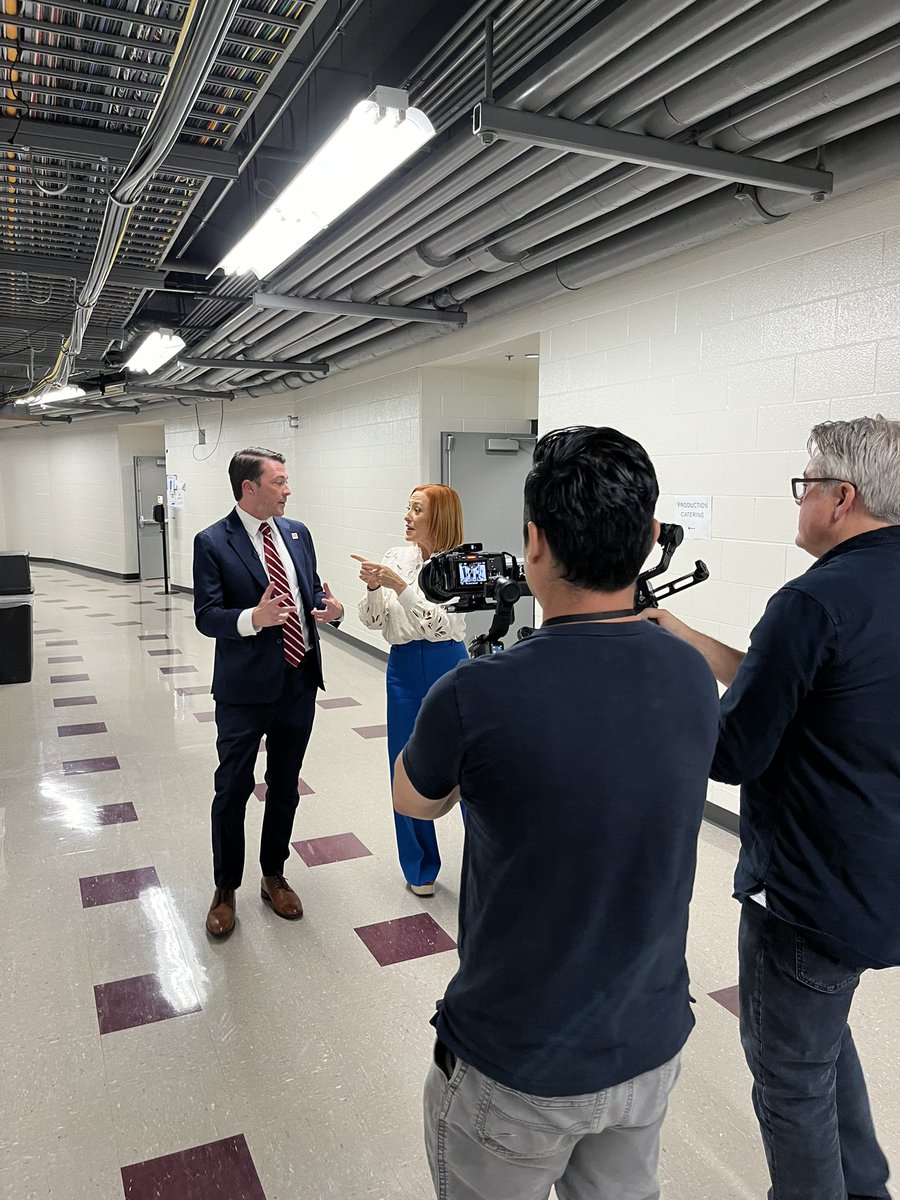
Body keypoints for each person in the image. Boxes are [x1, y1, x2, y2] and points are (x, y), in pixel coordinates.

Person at [392, 427, 720, 1200]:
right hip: (648, 1045)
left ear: (533, 544)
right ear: (646, 542)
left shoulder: (476, 693)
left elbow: (414, 797)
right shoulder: (689, 673)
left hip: (516, 1065)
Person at [651, 415, 900, 1200]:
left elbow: (733, 753)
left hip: (808, 892)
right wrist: (684, 636)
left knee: (790, 1080)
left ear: (841, 497)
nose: (798, 502)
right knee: (824, 1045)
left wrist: (656, 702)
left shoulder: (812, 600)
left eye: (805, 486)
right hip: (878, 878)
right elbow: (804, 691)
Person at [193, 447, 344, 938]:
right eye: (279, 481)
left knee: (285, 785)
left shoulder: (297, 534)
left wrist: (331, 607)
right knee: (232, 788)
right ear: (249, 488)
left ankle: (273, 874)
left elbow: (310, 592)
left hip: (298, 680)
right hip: (243, 691)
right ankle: (225, 887)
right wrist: (250, 619)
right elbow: (205, 615)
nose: (288, 489)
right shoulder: (213, 542)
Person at [353, 484, 467, 897]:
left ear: (438, 517)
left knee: (468, 765)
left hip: (448, 661)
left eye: (416, 510)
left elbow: (442, 624)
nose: (407, 516)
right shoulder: (395, 557)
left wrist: (401, 586)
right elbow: (373, 621)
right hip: (401, 668)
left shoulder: (458, 564)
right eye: (408, 508)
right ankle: (420, 868)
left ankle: (486, 865)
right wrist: (372, 587)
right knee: (404, 763)